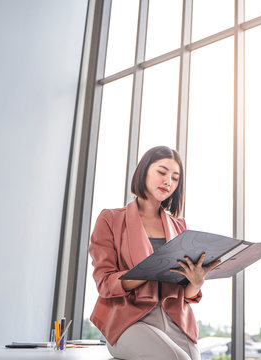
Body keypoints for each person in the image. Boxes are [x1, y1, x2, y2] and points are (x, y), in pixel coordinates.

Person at [89, 145, 220, 360]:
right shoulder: (110, 220)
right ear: (144, 171)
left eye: (175, 178)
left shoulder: (180, 227)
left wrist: (195, 282)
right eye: (162, 172)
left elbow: (184, 296)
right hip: (129, 321)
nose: (168, 181)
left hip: (174, 319)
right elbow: (104, 283)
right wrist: (144, 272)